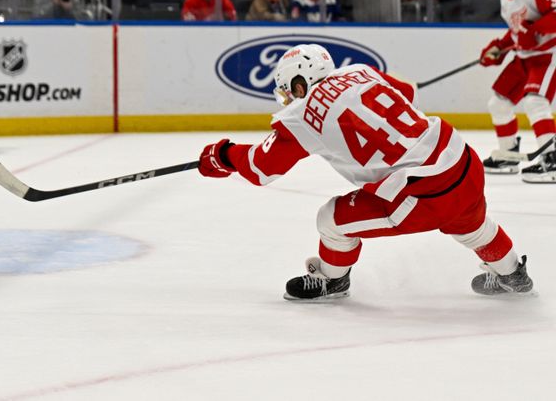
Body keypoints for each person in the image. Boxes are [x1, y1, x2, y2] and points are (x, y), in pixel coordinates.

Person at [197, 43, 534, 300]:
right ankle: (512, 274)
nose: (289, 98)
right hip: (461, 160)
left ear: (300, 85)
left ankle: (332, 279)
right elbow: (406, 93)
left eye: (289, 90)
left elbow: (260, 168)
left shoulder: (300, 116)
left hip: (421, 194)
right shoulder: (361, 69)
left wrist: (222, 155)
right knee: (473, 224)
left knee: (330, 220)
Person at [479, 0, 556, 183]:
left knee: (535, 101)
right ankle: (508, 155)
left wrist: (533, 31)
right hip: (524, 58)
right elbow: (515, 33)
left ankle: (552, 159)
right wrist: (498, 48)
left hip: (547, 55)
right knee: (498, 103)